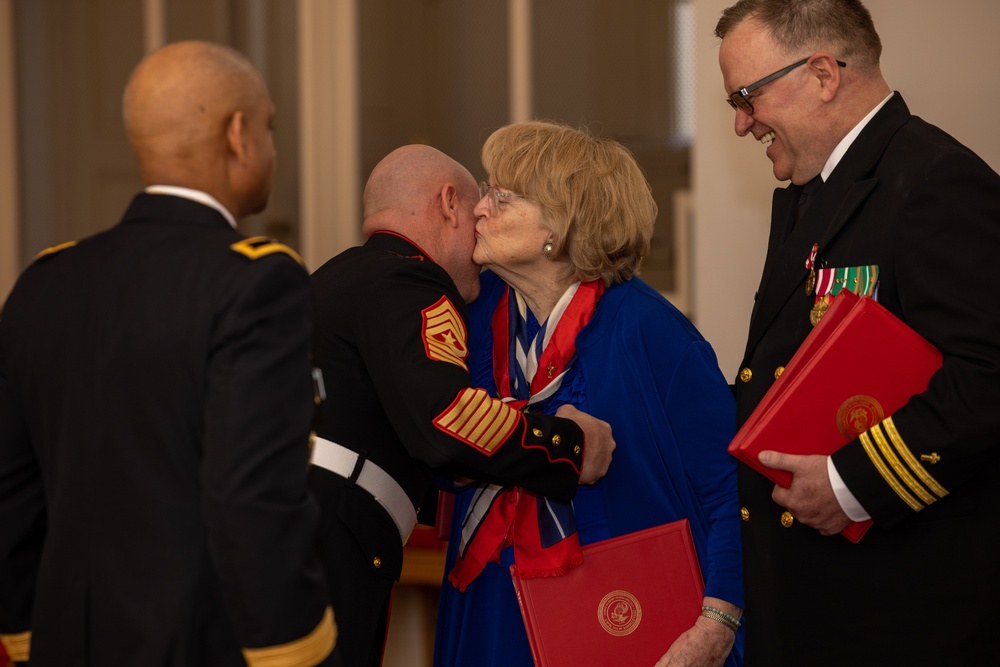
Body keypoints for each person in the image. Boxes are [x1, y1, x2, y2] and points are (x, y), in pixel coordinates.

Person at [0, 41, 336, 666]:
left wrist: (25, 637)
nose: (269, 144)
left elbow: (11, 495)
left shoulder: (44, 281)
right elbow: (251, 499)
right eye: (268, 126)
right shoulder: (255, 281)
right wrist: (294, 654)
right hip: (200, 643)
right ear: (237, 135)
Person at [715, 1, 1000, 664]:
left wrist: (851, 482)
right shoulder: (809, 189)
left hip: (902, 613)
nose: (740, 123)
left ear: (821, 74)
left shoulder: (934, 179)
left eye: (747, 96)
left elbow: (988, 375)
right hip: (812, 603)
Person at [433, 121, 744, 667]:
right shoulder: (475, 320)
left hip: (622, 609)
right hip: (494, 603)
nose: (479, 208)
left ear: (560, 223)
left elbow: (729, 490)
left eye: (500, 196)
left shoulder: (650, 330)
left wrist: (718, 621)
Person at [307, 143, 615, 667]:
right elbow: (446, 419)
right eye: (475, 212)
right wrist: (567, 445)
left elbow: (380, 430)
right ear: (449, 203)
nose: (480, 232)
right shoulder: (411, 280)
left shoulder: (336, 278)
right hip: (325, 541)